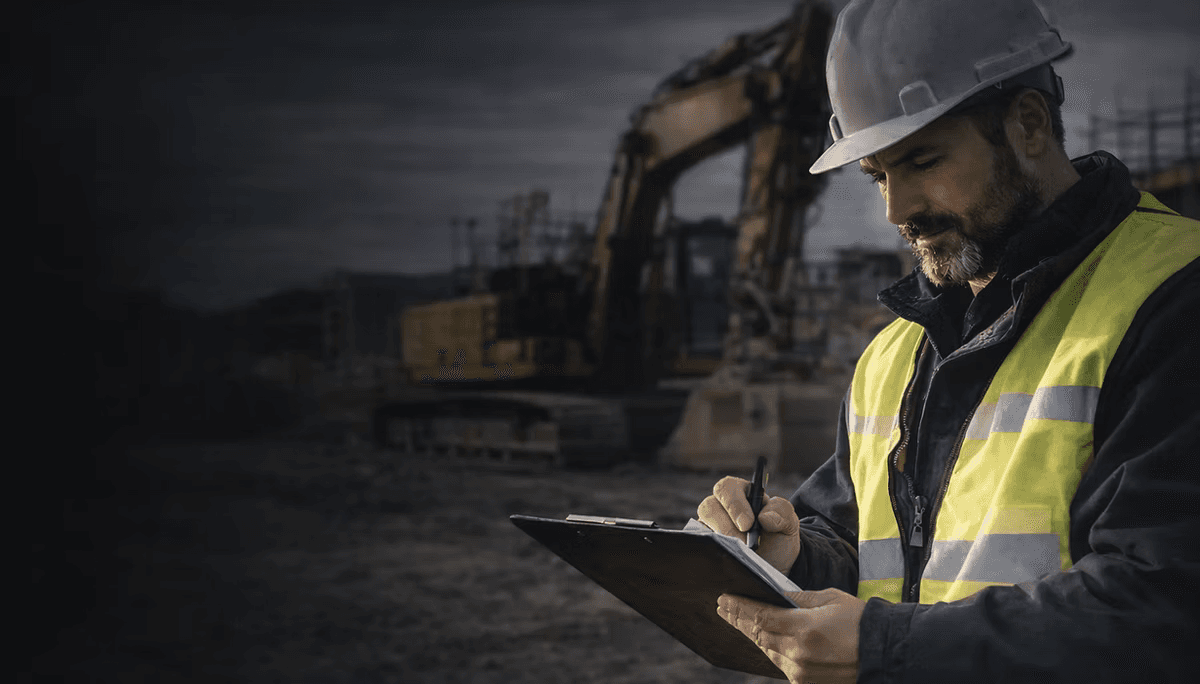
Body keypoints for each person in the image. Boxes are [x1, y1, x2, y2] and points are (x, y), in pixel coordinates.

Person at [696, 0, 1200, 681]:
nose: (896, 210)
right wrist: (791, 554)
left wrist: (889, 648)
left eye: (923, 161)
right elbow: (875, 551)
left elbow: (1166, 606)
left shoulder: (1174, 297)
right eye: (877, 175)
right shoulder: (895, 353)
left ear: (1027, 124)